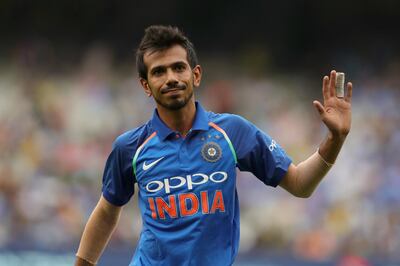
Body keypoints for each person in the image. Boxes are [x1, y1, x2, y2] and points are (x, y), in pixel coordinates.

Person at [75, 25, 353, 266]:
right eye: (159, 71)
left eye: (178, 67)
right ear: (146, 85)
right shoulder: (130, 147)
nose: (171, 77)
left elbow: (300, 183)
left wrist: (335, 139)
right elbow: (107, 210)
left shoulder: (232, 131)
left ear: (195, 75)